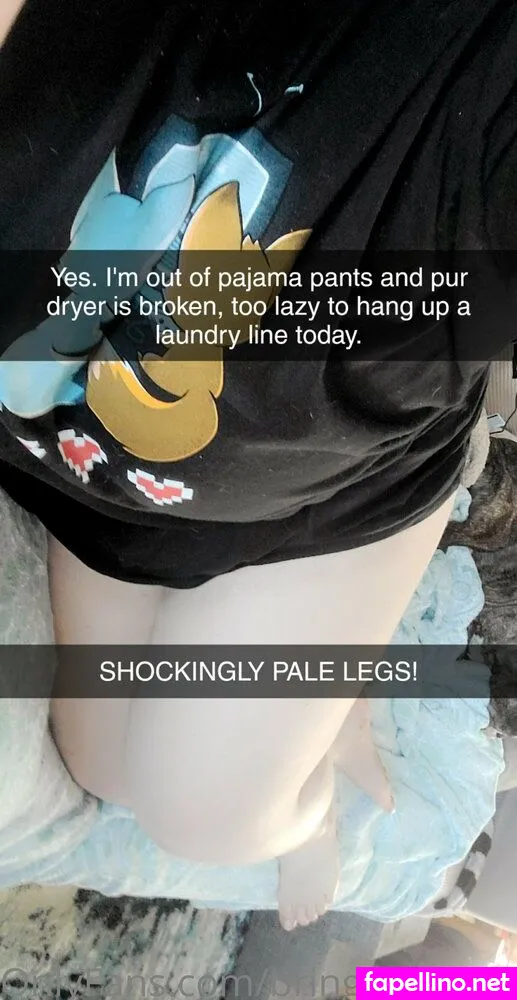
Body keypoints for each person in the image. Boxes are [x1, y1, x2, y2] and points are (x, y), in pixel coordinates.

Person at [0, 0, 515, 929]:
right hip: (102, 481)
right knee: (105, 770)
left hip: (338, 497)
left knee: (212, 821)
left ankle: (325, 768)